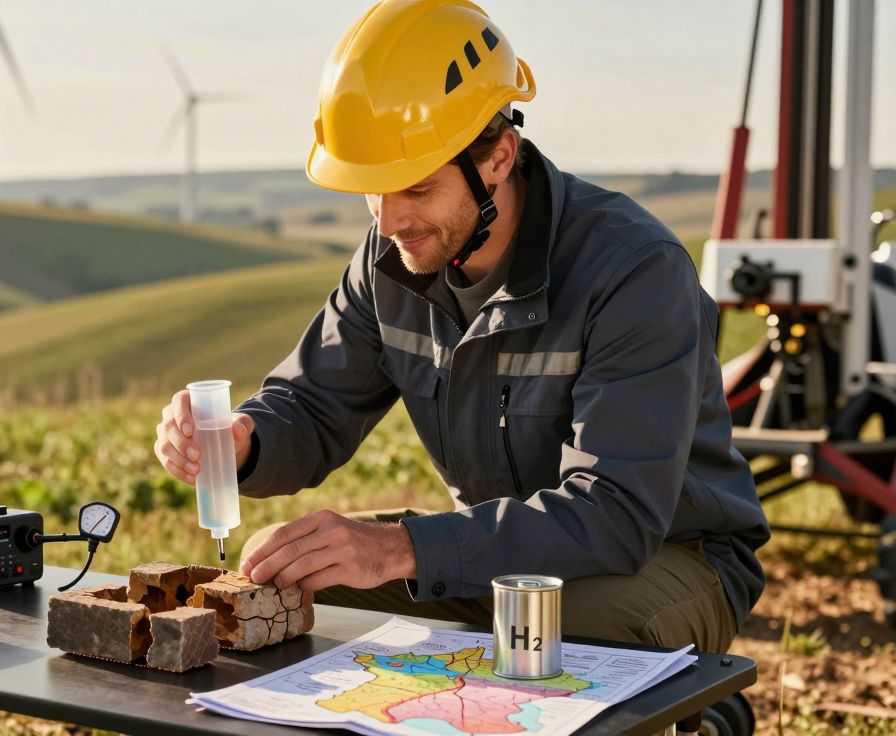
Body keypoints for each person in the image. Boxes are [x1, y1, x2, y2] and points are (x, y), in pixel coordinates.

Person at [153, 0, 769, 653]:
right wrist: (245, 441)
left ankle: (692, 704)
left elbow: (616, 513)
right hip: (494, 550)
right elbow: (311, 405)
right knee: (283, 578)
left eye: (416, 188)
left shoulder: (633, 270)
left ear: (499, 157)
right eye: (372, 189)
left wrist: (400, 548)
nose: (389, 221)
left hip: (665, 556)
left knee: (553, 629)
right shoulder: (390, 258)